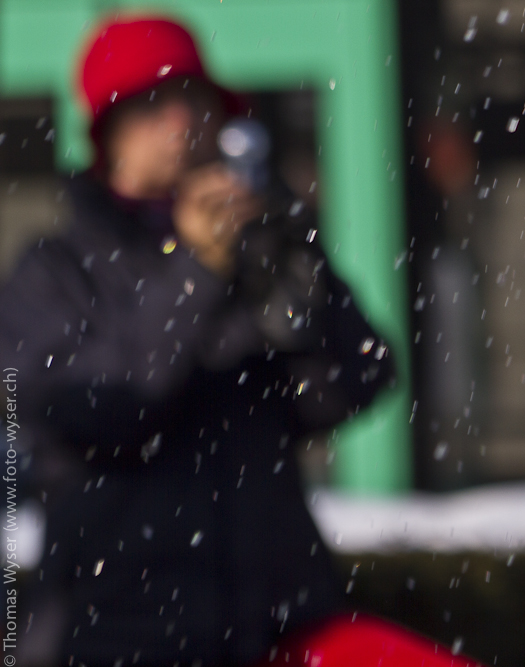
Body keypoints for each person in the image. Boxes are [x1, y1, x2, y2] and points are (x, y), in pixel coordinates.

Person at [0, 17, 394, 667]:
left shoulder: (256, 248)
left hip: (281, 622)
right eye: (154, 104)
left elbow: (357, 381)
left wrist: (296, 259)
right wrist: (196, 269)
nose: (184, 121)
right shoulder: (52, 270)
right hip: (117, 631)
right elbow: (109, 405)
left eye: (197, 99)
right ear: (108, 133)